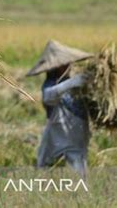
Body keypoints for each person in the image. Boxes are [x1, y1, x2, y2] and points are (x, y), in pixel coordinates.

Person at [26, 40, 93, 178]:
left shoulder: (78, 85)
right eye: (63, 65)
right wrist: (70, 84)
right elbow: (48, 97)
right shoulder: (51, 85)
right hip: (57, 132)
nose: (68, 66)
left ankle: (79, 194)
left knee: (78, 165)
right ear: (55, 68)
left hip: (77, 132)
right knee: (44, 162)